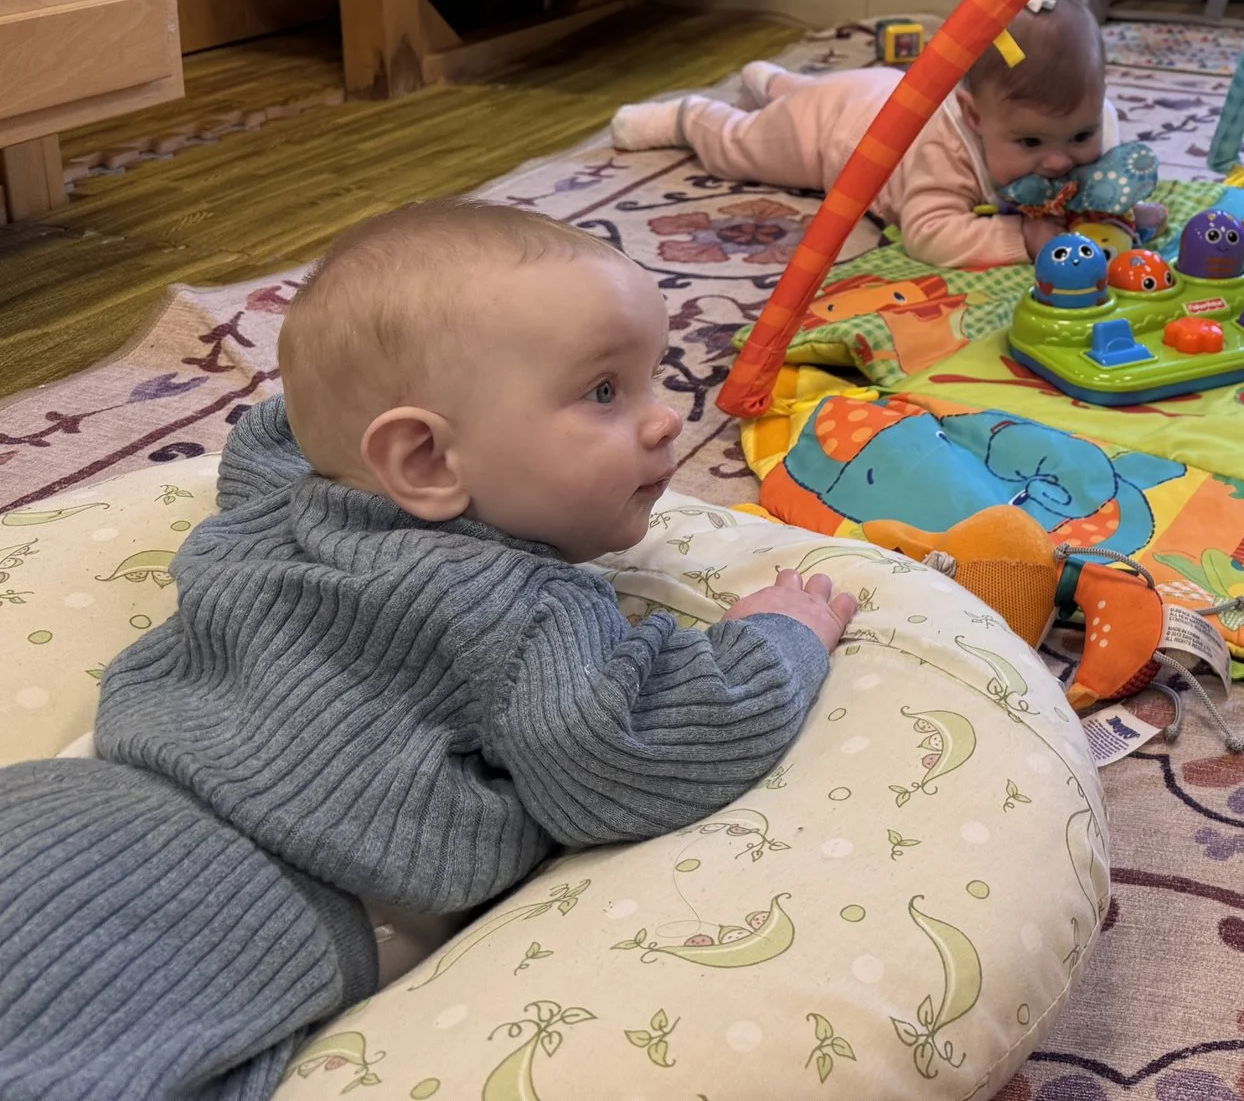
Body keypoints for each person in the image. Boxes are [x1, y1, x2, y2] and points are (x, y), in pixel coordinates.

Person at [0, 203, 854, 1101]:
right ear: (423, 456)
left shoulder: (282, 503)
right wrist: (778, 639)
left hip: (66, 797)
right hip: (241, 896)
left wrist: (352, 383)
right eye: (605, 391)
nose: (667, 419)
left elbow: (276, 433)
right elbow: (630, 755)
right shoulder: (525, 613)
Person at [608, 0, 1162, 266]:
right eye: (1031, 142)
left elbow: (1085, 179)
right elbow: (927, 233)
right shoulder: (944, 151)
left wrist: (1111, 215)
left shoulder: (1086, 123)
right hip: (840, 129)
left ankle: (777, 82)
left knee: (807, 92)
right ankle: (693, 117)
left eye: (1081, 135)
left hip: (880, 88)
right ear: (973, 115)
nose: (1062, 161)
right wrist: (1021, 236)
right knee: (746, 145)